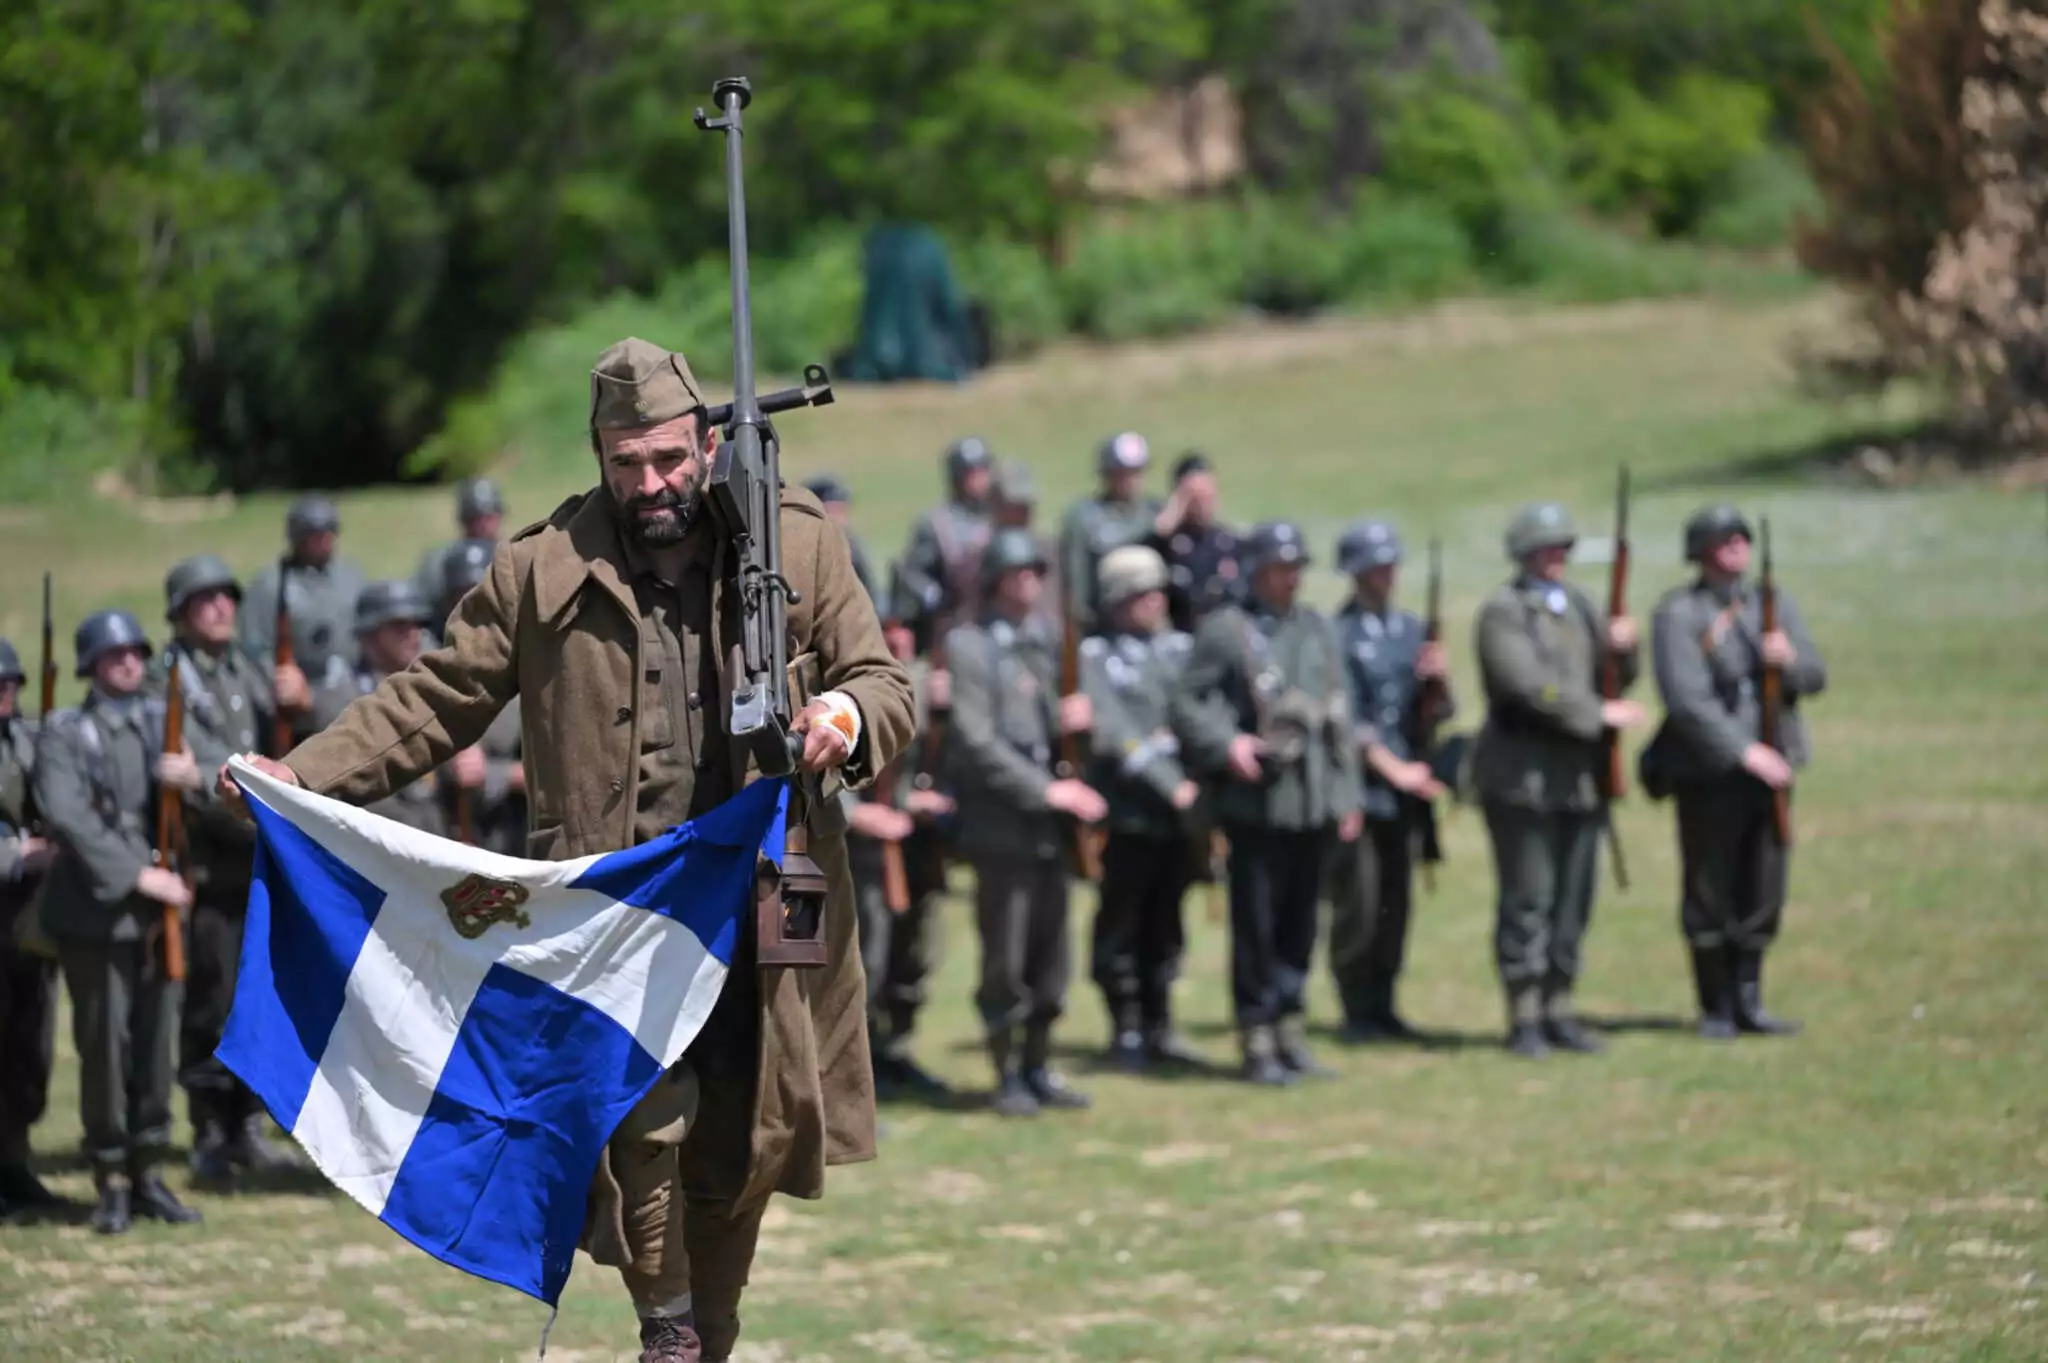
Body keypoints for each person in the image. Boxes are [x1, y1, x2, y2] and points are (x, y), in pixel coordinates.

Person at [219, 336, 914, 1363]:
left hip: (763, 911)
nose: (652, 483)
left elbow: (883, 680)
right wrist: (305, 776)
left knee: (740, 1141)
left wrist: (843, 719)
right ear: (598, 454)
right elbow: (433, 699)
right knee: (643, 1134)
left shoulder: (792, 540)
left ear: (706, 441)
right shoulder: (538, 570)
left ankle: (698, 1338)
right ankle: (667, 1328)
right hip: (609, 923)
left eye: (671, 459)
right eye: (627, 463)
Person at [1173, 522, 1363, 1085]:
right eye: (1282, 567)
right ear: (1256, 571)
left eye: (1297, 566)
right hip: (1255, 805)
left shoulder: (1317, 629)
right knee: (1255, 925)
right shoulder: (1226, 631)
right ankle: (1256, 1035)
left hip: (1311, 800)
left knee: (1301, 924)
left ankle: (1290, 1028)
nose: (1292, 577)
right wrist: (1227, 743)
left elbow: (1340, 718)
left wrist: (1346, 794)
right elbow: (1187, 703)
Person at [34, 609, 203, 1234]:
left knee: (157, 1047)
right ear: (90, 666)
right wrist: (138, 874)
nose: (128, 661)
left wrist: (195, 776)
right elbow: (67, 813)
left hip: (162, 918)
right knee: (105, 1048)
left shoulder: (167, 720)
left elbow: (227, 776)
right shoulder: (64, 731)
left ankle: (149, 1170)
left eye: (134, 652)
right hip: (98, 915)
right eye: (114, 656)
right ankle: (109, 1175)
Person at [1646, 505, 1827, 1039]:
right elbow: (1687, 701)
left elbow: (1815, 676)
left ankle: (1750, 998)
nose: (1735, 549)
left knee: (1763, 886)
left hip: (1772, 767)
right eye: (1723, 542)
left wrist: (1786, 658)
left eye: (1739, 540)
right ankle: (1715, 1004)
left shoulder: (1772, 605)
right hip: (1709, 771)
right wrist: (1744, 752)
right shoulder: (1679, 615)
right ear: (1701, 552)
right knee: (1710, 888)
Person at [1471, 503, 1644, 1060]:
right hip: (1523, 778)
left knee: (1574, 898)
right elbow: (1525, 686)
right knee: (1528, 898)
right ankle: (1524, 1012)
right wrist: (1597, 714)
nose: (1557, 559)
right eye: (1547, 549)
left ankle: (1560, 1006)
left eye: (1563, 549)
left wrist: (1625, 648)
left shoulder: (1581, 607)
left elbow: (1613, 675)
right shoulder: (1503, 613)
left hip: (1578, 779)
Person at [946, 527, 1105, 1118]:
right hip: (1002, 829)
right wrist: (1048, 791)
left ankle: (1040, 1063)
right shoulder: (970, 647)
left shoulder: (1049, 644)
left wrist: (1086, 721)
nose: (1030, 583)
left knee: (1053, 961)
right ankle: (1007, 1069)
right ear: (996, 581)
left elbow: (1082, 734)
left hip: (1051, 836)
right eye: (1019, 574)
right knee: (1005, 961)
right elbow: (977, 741)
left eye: (1036, 572)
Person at [155, 555, 297, 1185]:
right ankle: (210, 1128)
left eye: (225, 597)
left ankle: (247, 1124)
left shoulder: (247, 669)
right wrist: (207, 773)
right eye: (204, 600)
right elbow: (177, 766)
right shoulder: (170, 681)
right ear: (182, 612)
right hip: (204, 862)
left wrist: (302, 692)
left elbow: (285, 740)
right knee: (210, 1000)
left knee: (259, 996)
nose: (219, 608)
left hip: (255, 856)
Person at [1325, 519, 1452, 1044]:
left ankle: (1386, 1001)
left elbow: (1439, 711)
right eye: (1377, 566)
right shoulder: (1339, 635)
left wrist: (1438, 680)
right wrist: (1393, 769)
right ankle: (1357, 1004)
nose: (1387, 574)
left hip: (1407, 791)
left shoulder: (1409, 629)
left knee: (1396, 903)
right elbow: (1346, 719)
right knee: (1360, 901)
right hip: (1364, 789)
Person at [1079, 545, 1203, 1071]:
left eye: (1156, 592)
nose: (1153, 602)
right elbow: (1114, 731)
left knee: (1168, 920)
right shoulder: (1095, 657)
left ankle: (1161, 1021)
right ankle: (1125, 1026)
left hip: (1180, 817)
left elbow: (1198, 717)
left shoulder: (1183, 650)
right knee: (1122, 921)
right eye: (1139, 595)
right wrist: (1168, 778)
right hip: (1126, 813)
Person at [305, 581, 453, 836]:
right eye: (399, 626)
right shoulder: (341, 700)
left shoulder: (429, 690)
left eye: (417, 624)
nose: (413, 634)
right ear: (369, 634)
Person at [0, 637, 61, 1218]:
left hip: (25, 916)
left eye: (12, 685)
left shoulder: (29, 737)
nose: (6, 695)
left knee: (30, 1041)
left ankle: (15, 1164)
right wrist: (18, 851)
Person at [239, 494, 366, 734]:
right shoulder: (271, 584)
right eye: (316, 535)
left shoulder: (351, 575)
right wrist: (282, 689)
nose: (325, 541)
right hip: (300, 700)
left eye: (330, 533)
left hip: (352, 687)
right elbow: (255, 649)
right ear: (297, 538)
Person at [432, 545, 527, 856]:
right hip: (444, 836)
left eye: (479, 592)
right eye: (459, 595)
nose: (469, 605)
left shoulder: (532, 671)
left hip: (518, 837)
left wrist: (493, 773)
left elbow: (566, 776)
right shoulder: (431, 667)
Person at [895, 437, 995, 655]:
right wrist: (934, 597)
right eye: (972, 474)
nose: (980, 480)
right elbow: (911, 573)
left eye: (983, 471)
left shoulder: (998, 517)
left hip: (993, 620)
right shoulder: (937, 523)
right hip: (952, 623)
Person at [1058, 431, 1162, 627]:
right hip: (1103, 624)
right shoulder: (1083, 516)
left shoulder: (1155, 511)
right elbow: (1075, 578)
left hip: (1150, 624)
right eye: (1122, 472)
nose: (1130, 479)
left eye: (1136, 471)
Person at [1146, 453, 1245, 632]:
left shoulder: (1227, 541)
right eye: (1194, 496)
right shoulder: (1166, 542)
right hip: (1176, 631)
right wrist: (1174, 511)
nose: (1203, 502)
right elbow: (1148, 546)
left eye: (1208, 493)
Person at [414, 476, 508, 629]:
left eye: (489, 517)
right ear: (462, 521)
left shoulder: (513, 557)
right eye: (474, 518)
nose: (482, 525)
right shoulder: (438, 562)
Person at [804, 473, 880, 606]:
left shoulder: (853, 548)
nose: (839, 519)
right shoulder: (801, 547)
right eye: (832, 511)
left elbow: (869, 590)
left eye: (841, 511)